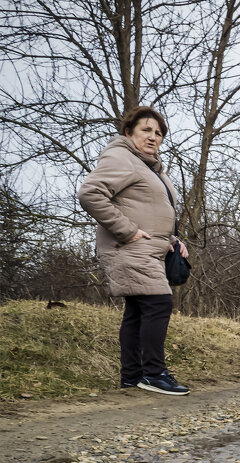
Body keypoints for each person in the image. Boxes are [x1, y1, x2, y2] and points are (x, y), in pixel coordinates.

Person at [78, 106, 190, 396]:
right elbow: (90, 193)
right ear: (129, 132)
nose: (153, 137)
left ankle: (132, 377)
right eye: (146, 130)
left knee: (138, 311)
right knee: (158, 303)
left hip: (151, 250)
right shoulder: (121, 157)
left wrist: (173, 239)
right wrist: (127, 231)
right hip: (128, 247)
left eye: (158, 132)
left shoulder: (150, 167)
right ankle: (153, 374)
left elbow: (150, 210)